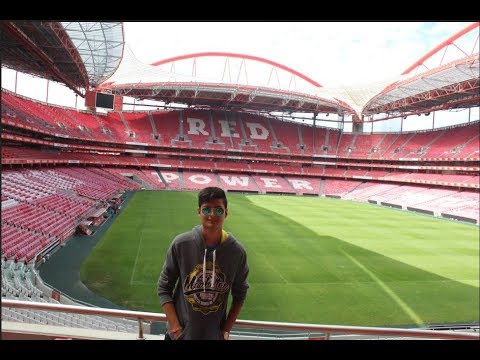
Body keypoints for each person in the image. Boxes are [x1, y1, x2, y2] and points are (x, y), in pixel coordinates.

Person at [157, 186, 249, 340]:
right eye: (207, 210)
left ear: (226, 213)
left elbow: (240, 294)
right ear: (199, 211)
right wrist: (176, 329)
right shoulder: (181, 244)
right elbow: (163, 287)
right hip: (179, 336)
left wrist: (225, 331)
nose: (212, 215)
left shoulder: (237, 252)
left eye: (218, 210)